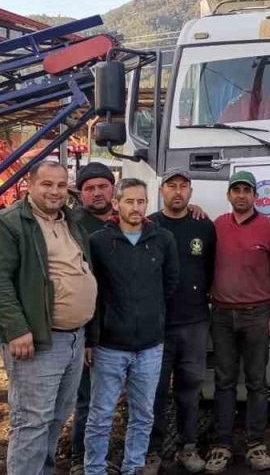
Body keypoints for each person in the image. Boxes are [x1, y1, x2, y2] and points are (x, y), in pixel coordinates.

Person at [0, 161, 96, 475]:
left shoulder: (70, 220)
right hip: (38, 338)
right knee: (32, 422)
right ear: (30, 185)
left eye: (60, 185)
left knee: (57, 416)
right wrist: (17, 329)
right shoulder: (9, 223)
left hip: (74, 337)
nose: (55, 191)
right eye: (47, 184)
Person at [84, 179, 179, 475]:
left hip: (150, 345)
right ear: (117, 203)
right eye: (129, 201)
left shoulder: (162, 239)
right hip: (110, 345)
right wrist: (92, 337)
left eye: (141, 202)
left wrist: (151, 315)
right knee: (100, 415)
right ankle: (94, 469)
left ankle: (133, 467)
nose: (135, 207)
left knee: (143, 414)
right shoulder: (99, 242)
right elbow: (92, 291)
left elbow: (170, 283)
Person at [205, 171, 270, 474]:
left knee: (256, 382)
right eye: (236, 190)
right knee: (224, 381)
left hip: (257, 315)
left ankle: (256, 443)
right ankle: (222, 444)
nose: (241, 195)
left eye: (246, 191)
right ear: (228, 195)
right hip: (223, 315)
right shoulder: (216, 227)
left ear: (255, 196)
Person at [147, 168, 216, 473]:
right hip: (157, 325)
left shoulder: (204, 227)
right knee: (155, 391)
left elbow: (213, 268)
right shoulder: (149, 225)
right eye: (171, 186)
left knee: (190, 389)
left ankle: (188, 448)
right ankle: (152, 451)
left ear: (190, 192)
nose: (177, 191)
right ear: (162, 191)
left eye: (183, 186)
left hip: (195, 323)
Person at [67, 161, 115, 474]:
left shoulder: (126, 220)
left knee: (110, 399)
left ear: (113, 188)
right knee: (87, 399)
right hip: (88, 326)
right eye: (89, 188)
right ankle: (78, 459)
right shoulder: (71, 224)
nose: (97, 193)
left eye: (102, 186)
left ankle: (102, 456)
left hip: (122, 326)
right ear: (80, 194)